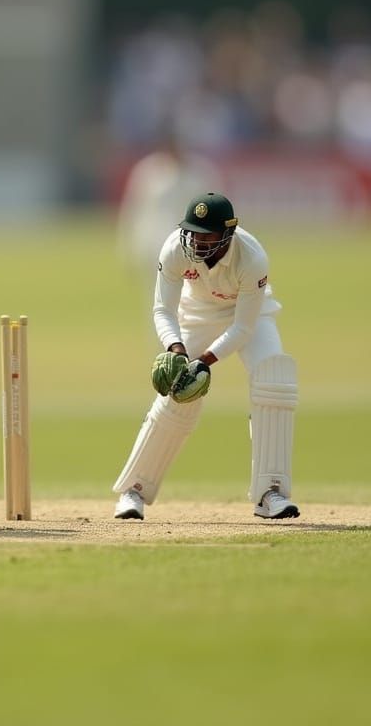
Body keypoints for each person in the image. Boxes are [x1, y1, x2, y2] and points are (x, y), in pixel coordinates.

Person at [112, 192, 300, 521]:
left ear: (228, 233)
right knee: (178, 393)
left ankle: (271, 493)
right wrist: (177, 350)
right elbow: (162, 310)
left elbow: (243, 328)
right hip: (197, 314)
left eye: (207, 236)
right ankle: (134, 491)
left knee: (274, 378)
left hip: (249, 315)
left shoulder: (252, 257)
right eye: (193, 233)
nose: (198, 242)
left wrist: (204, 361)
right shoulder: (175, 248)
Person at [115, 137, 219, 277]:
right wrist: (129, 248)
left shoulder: (200, 172)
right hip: (155, 244)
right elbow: (133, 211)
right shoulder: (148, 171)